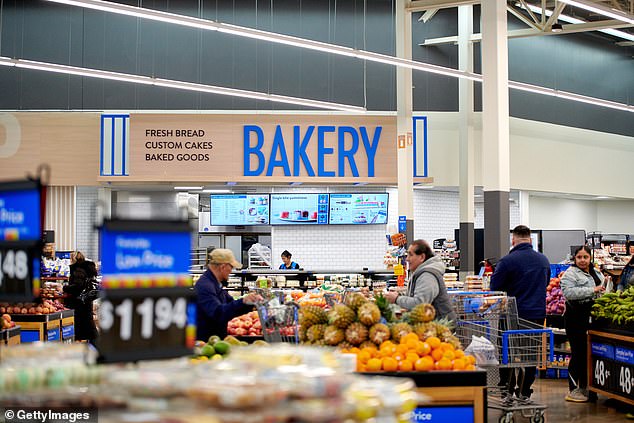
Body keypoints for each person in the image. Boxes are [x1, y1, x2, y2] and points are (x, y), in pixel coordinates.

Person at [490, 225, 550, 401]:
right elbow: (545, 283)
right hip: (536, 314)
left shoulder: (507, 261)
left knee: (507, 352)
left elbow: (495, 288)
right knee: (530, 353)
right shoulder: (543, 260)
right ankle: (524, 390)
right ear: (530, 240)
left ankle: (507, 389)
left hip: (511, 315)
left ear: (513, 240)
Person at [561, 245, 605, 403]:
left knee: (589, 354)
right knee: (578, 353)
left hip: (592, 318)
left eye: (585, 257)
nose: (582, 260)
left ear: (590, 258)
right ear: (575, 258)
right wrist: (592, 290)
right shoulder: (570, 274)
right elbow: (569, 293)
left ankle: (588, 388)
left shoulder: (596, 272)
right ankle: (573, 390)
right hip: (575, 317)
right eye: (579, 257)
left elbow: (602, 289)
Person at [195, 249, 263, 340]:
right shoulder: (205, 286)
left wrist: (249, 303)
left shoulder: (215, 284)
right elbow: (218, 313)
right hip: (207, 343)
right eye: (231, 267)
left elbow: (230, 303)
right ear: (223, 267)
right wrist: (243, 302)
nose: (231, 271)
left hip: (216, 340)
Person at [384, 239, 457, 322]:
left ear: (422, 257)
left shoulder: (427, 275)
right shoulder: (421, 272)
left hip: (439, 327)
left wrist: (397, 299)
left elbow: (420, 304)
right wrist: (400, 294)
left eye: (410, 255)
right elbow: (417, 294)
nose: (407, 259)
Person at [63, 251, 99, 343]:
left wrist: (64, 288)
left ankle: (99, 349)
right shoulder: (87, 268)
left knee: (85, 329)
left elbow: (77, 286)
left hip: (79, 304)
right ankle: (96, 347)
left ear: (73, 259)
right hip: (86, 302)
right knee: (89, 328)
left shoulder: (78, 270)